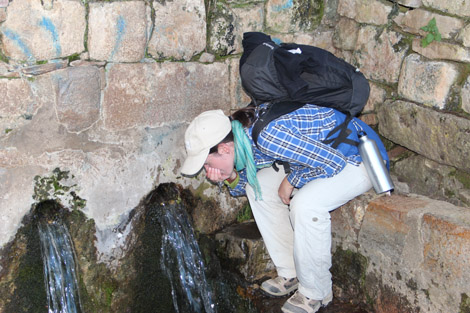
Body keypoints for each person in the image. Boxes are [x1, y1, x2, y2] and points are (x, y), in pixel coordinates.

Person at [180, 103, 389, 313]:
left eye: (207, 164)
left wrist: (291, 181)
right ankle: (292, 272)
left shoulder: (267, 136)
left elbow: (332, 163)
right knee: (257, 188)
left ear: (224, 148)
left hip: (358, 156)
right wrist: (230, 177)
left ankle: (315, 292)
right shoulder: (244, 136)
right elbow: (246, 183)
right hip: (319, 158)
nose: (208, 172)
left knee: (306, 204)